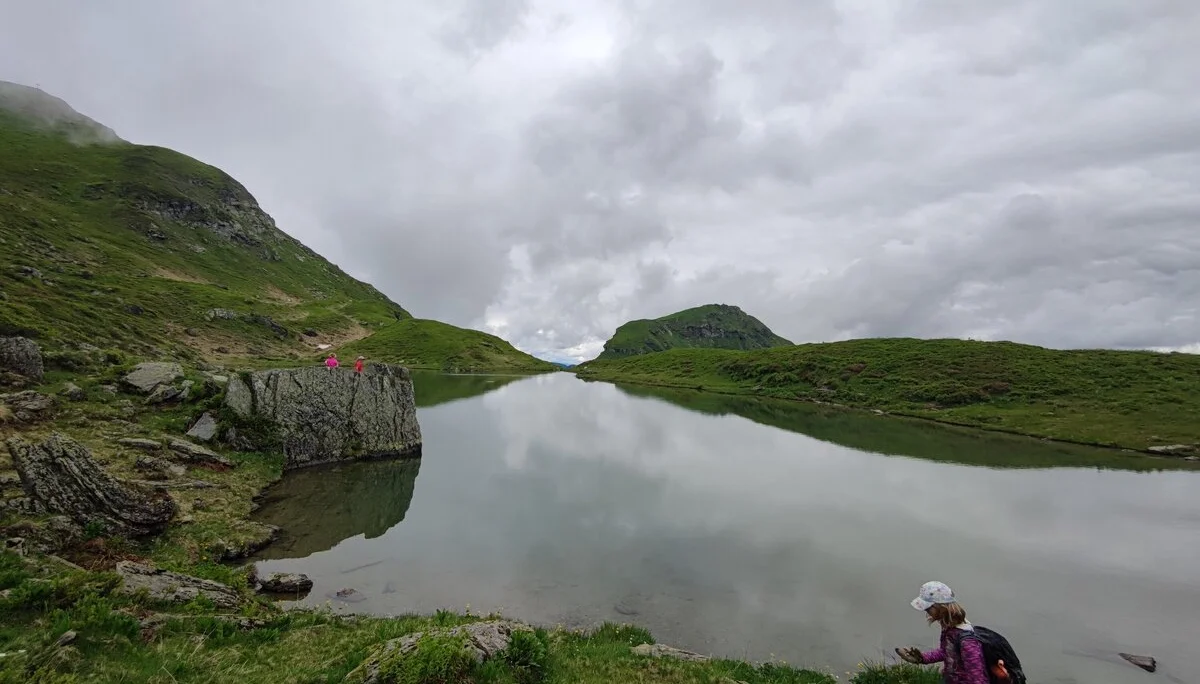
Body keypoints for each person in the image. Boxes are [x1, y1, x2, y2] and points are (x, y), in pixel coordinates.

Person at [895, 581, 990, 684]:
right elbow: (946, 652)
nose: (926, 612)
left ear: (941, 608)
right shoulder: (950, 629)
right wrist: (921, 658)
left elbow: (978, 677)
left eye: (928, 609)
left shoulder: (967, 641)